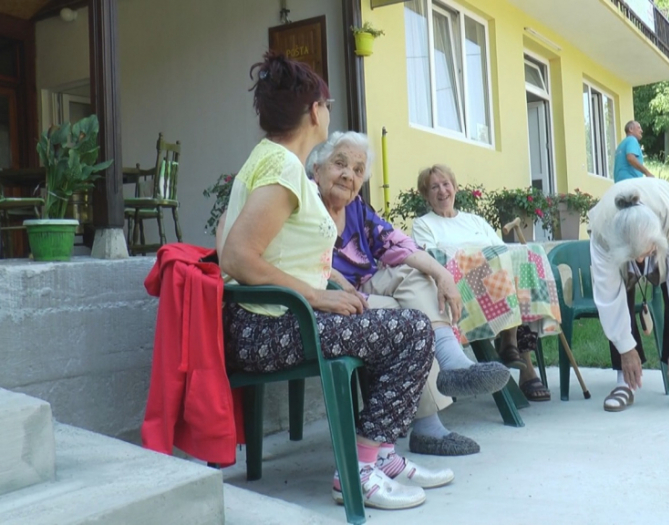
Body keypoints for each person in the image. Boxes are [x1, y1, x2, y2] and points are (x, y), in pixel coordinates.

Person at [216, 52, 451, 511]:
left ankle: (381, 455)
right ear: (313, 112)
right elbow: (239, 256)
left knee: (386, 321)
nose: (329, 110)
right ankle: (359, 468)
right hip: (271, 326)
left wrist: (334, 283)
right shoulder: (283, 168)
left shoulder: (273, 162)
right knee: (414, 330)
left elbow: (280, 247)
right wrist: (317, 296)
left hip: (275, 319)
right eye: (326, 103)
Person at [307, 133, 511, 457]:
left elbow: (395, 244)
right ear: (316, 168)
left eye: (358, 170)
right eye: (340, 164)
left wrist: (442, 274)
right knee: (411, 318)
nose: (349, 174)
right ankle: (428, 427)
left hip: (364, 286)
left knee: (416, 274)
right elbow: (297, 259)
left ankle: (452, 362)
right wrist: (332, 278)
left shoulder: (356, 206)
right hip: (329, 297)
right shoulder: (303, 203)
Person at [411, 164, 552, 403]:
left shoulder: (474, 221)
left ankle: (516, 351)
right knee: (502, 271)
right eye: (434, 187)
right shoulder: (424, 224)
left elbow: (502, 250)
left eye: (446, 184)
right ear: (426, 195)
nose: (442, 191)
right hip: (461, 290)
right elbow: (433, 257)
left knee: (525, 270)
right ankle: (512, 347)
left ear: (455, 188)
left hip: (497, 286)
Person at [587, 177, 669, 413]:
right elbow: (608, 297)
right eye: (635, 258)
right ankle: (624, 381)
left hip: (665, 218)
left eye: (646, 254)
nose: (642, 262)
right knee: (621, 290)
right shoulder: (603, 234)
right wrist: (626, 348)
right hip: (615, 240)